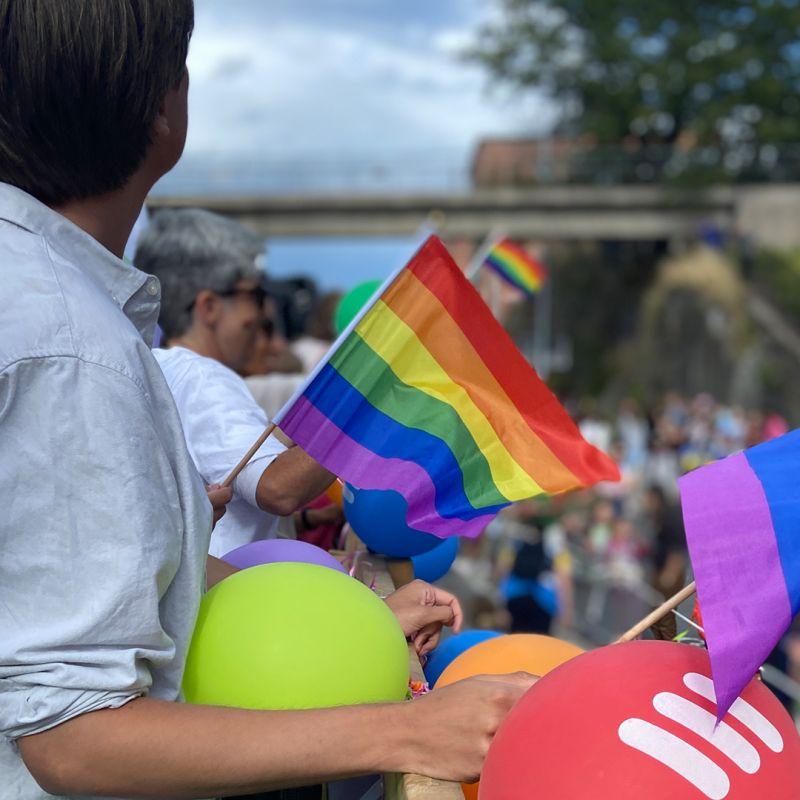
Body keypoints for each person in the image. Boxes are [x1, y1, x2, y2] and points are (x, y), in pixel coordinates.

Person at [0, 3, 535, 798]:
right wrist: (416, 728)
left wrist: (347, 620)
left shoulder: (45, 303)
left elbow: (86, 577)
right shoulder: (75, 348)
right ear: (160, 110)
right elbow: (73, 735)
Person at [136, 208, 333, 555]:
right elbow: (279, 488)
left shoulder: (158, 368)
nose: (262, 313)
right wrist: (365, 407)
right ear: (209, 307)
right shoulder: (203, 378)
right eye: (254, 296)